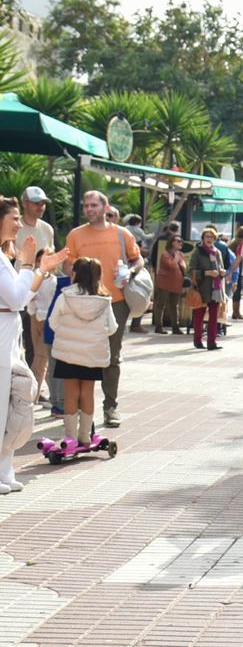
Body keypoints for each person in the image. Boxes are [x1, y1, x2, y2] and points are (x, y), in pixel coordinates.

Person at [0, 198, 71, 491]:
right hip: (3, 335)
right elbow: (16, 298)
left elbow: (23, 295)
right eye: (15, 218)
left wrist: (41, 270)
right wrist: (30, 264)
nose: (19, 224)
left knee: (12, 403)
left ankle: (5, 471)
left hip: (9, 334)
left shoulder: (4, 256)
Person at [61, 191, 142, 427]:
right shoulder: (75, 235)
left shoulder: (121, 233)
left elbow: (137, 259)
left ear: (105, 207)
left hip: (115, 301)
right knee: (81, 355)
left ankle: (110, 407)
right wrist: (73, 273)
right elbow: (68, 265)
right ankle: (81, 409)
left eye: (94, 205)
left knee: (111, 357)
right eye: (86, 205)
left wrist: (131, 272)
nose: (89, 209)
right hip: (83, 302)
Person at [48, 257, 118, 452]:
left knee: (70, 391)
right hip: (92, 354)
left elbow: (53, 322)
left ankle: (69, 436)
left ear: (76, 274)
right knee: (87, 391)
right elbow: (112, 328)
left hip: (68, 353)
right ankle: (85, 436)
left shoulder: (65, 297)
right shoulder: (104, 300)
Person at [19, 187, 57, 407]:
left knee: (38, 349)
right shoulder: (15, 226)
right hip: (14, 293)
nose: (40, 206)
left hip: (40, 295)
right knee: (22, 345)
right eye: (35, 202)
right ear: (25, 203)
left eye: (43, 202)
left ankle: (34, 389)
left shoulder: (47, 229)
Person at [187, 229, 226, 350]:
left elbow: (221, 268)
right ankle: (197, 340)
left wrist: (222, 272)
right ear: (203, 238)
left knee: (214, 316)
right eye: (206, 237)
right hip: (202, 288)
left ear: (214, 239)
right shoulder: (198, 251)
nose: (209, 239)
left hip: (216, 288)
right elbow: (190, 271)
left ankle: (211, 342)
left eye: (211, 237)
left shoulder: (217, 252)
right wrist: (206, 273)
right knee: (199, 315)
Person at [151, 231, 186, 334]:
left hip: (176, 283)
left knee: (174, 306)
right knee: (160, 305)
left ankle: (175, 327)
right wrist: (177, 256)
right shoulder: (165, 254)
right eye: (178, 241)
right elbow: (172, 265)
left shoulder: (180, 254)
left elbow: (184, 266)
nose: (180, 243)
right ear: (172, 242)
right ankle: (158, 326)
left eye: (181, 242)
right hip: (164, 283)